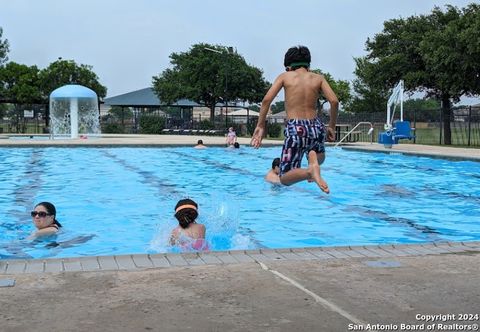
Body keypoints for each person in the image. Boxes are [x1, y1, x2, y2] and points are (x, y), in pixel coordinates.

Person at [251, 45, 338, 194]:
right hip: (316, 125)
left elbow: (266, 100)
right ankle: (312, 159)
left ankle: (309, 172)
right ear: (308, 65)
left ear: (289, 67)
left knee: (284, 178)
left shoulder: (285, 77)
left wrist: (260, 126)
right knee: (320, 157)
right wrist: (331, 126)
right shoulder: (318, 78)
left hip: (296, 127)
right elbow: (334, 101)